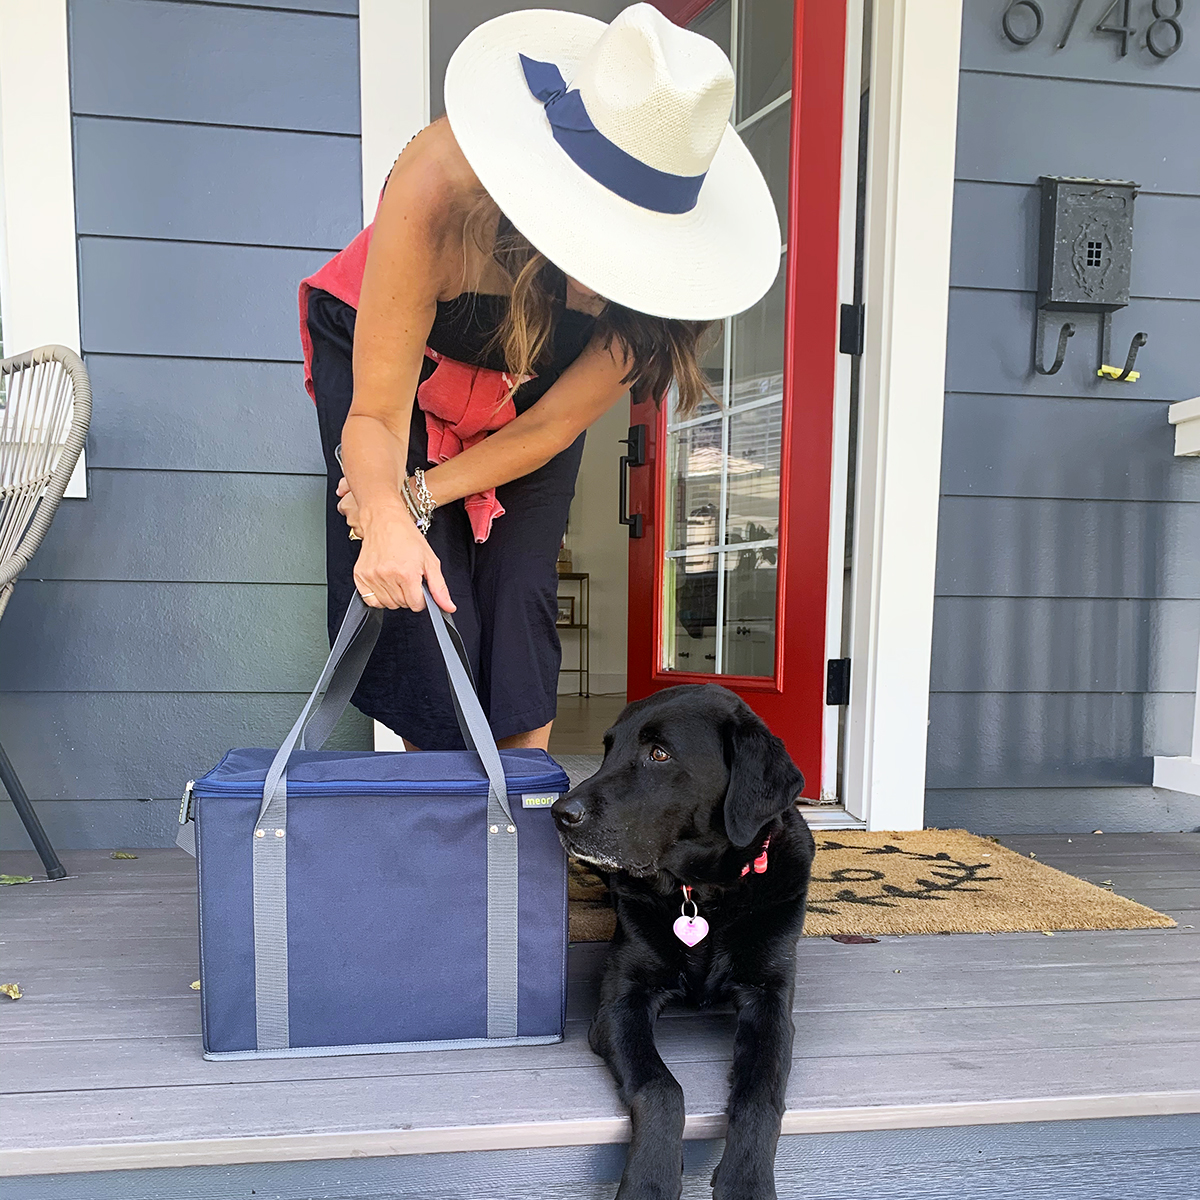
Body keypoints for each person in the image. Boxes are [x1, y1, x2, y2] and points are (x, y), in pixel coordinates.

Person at [299, 3, 781, 753]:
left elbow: (552, 427)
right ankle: (448, 823)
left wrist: (425, 491)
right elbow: (379, 421)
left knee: (521, 586)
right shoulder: (441, 186)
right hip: (396, 368)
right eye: (598, 247)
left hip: (525, 406)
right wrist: (389, 511)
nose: (599, 297)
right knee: (432, 600)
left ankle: (515, 827)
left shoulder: (668, 299)